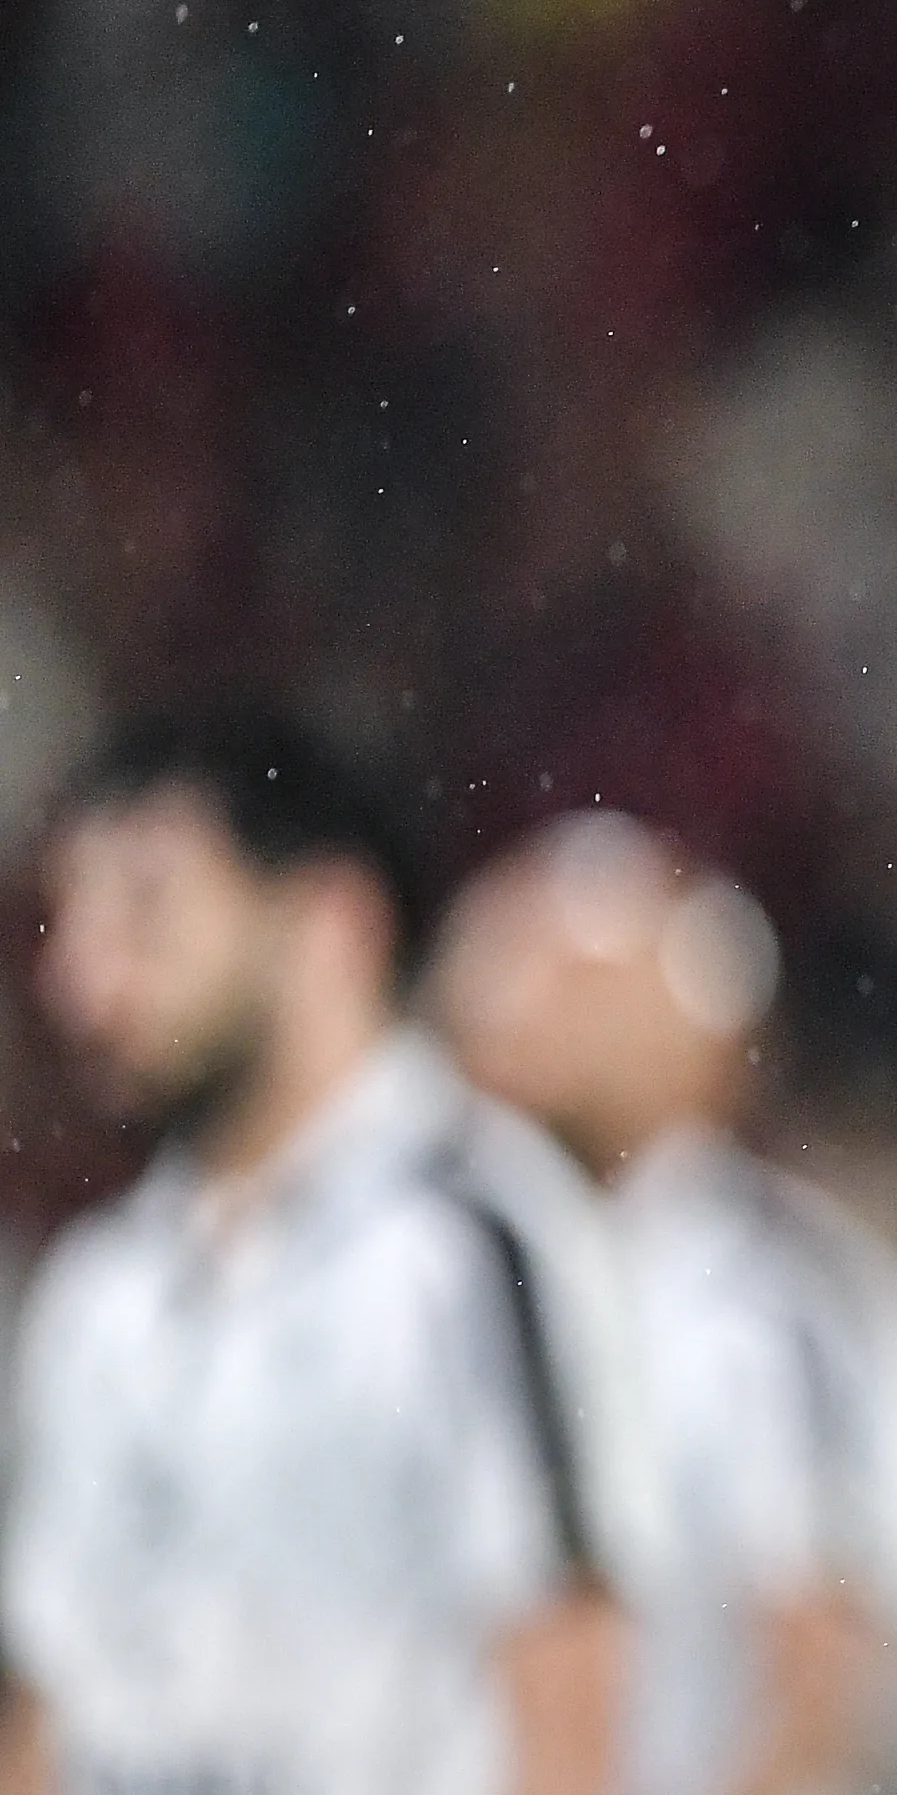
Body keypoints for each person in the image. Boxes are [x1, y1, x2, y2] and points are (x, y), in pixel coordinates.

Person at [0, 710, 644, 1795]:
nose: (82, 978)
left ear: (331, 925)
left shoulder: (469, 1244)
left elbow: (567, 1683)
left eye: (146, 908)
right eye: (72, 924)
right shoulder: (101, 1286)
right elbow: (45, 1704)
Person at [430, 811, 897, 1795]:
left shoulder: (780, 1299)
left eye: (583, 971)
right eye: (511, 954)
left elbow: (827, 1668)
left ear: (706, 1025)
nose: (520, 999)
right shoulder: (415, 1260)